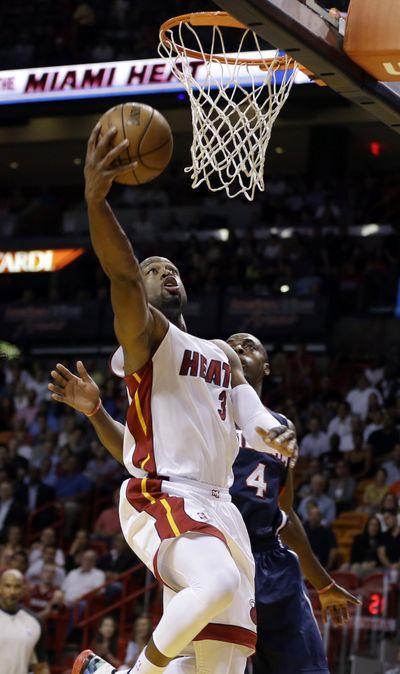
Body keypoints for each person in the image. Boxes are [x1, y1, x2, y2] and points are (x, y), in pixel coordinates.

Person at [54, 124, 297, 674]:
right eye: (152, 269)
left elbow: (250, 412)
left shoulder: (220, 352)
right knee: (215, 583)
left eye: (173, 268)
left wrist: (273, 434)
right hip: (165, 494)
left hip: (221, 507)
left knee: (224, 663)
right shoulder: (147, 338)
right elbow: (120, 272)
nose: (164, 271)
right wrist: (97, 202)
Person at [51, 335, 359, 674]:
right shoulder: (201, 414)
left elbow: (284, 515)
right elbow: (136, 455)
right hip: (206, 542)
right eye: (233, 345)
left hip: (268, 560)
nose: (239, 349)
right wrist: (96, 412)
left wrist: (324, 584)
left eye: (250, 346)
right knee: (206, 665)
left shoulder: (280, 427)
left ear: (267, 367)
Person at [0, 568, 50, 674]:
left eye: (17, 587)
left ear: (23, 589)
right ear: (0, 587)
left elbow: (40, 666)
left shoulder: (35, 622)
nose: (12, 592)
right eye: (7, 586)